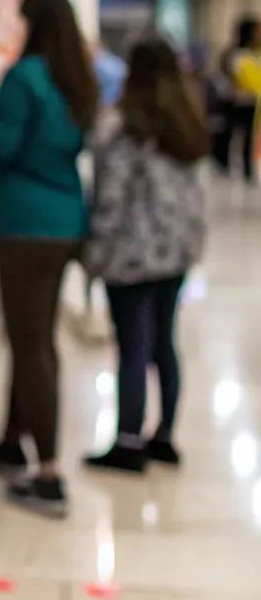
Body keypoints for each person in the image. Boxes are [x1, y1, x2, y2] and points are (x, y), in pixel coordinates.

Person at [0, 0, 99, 518]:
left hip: (24, 227)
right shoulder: (74, 82)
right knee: (30, 338)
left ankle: (50, 473)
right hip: (62, 225)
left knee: (32, 345)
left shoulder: (25, 78)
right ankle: (14, 440)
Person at [83, 37, 208, 472]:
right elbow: (196, 195)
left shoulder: (121, 128)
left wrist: (93, 254)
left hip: (130, 255)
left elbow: (110, 200)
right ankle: (165, 435)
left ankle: (128, 441)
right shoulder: (187, 123)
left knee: (132, 347)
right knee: (163, 343)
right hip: (175, 253)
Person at [215, 16, 261, 182]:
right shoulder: (233, 54)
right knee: (230, 133)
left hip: (252, 102)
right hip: (234, 102)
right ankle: (224, 165)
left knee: (249, 137)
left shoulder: (256, 54)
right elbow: (225, 78)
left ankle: (248, 171)